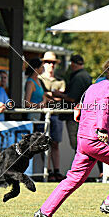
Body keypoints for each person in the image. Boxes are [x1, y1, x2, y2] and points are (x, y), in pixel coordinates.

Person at [34, 68, 109, 217]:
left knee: (73, 178)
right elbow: (105, 104)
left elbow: (80, 106)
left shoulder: (94, 86)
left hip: (83, 138)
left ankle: (44, 212)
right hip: (96, 138)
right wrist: (103, 129)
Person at [53, 54, 92, 152]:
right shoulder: (86, 75)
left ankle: (80, 166)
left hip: (75, 116)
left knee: (77, 144)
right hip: (83, 115)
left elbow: (71, 98)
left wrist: (58, 94)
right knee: (81, 144)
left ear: (73, 64)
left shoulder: (78, 77)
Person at [39, 51, 66, 182]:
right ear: (43, 63)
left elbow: (60, 98)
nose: (51, 65)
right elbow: (43, 97)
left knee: (55, 144)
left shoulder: (60, 81)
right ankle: (47, 171)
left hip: (56, 115)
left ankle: (56, 170)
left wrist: (48, 95)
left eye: (53, 63)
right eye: (48, 62)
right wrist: (52, 96)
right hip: (42, 115)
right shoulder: (38, 79)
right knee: (44, 144)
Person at [24, 58, 47, 131]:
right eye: (41, 67)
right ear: (36, 69)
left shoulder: (38, 81)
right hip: (32, 117)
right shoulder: (30, 83)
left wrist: (44, 101)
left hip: (39, 116)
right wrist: (38, 105)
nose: (43, 69)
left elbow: (43, 97)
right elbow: (26, 103)